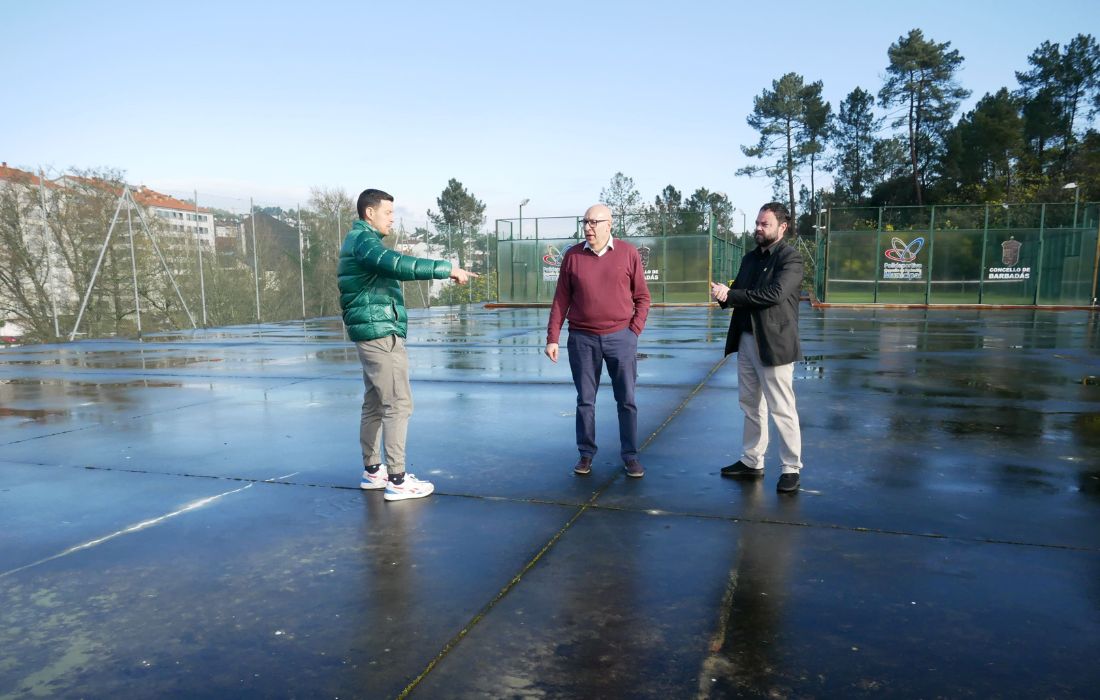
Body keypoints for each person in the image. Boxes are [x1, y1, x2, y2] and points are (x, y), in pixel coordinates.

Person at [338, 188, 476, 501]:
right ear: (369, 213)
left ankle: (374, 472)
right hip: (379, 333)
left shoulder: (358, 241)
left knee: (375, 401)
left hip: (371, 331)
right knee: (397, 403)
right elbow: (399, 264)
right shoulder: (365, 242)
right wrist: (446, 269)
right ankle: (398, 479)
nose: (392, 219)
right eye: (387, 212)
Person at [545, 204, 651, 477]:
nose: (588, 227)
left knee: (626, 400)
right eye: (585, 222)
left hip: (621, 339)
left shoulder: (628, 253)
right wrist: (553, 337)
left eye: (594, 222)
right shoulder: (572, 255)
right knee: (585, 401)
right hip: (582, 339)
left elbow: (642, 297)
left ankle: (630, 455)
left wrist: (633, 332)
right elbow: (561, 300)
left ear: (609, 224)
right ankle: (586, 454)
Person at [710, 202, 804, 493]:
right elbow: (739, 291)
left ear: (782, 227)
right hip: (747, 339)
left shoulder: (791, 259)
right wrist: (722, 295)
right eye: (757, 223)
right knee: (751, 404)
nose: (758, 229)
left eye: (765, 224)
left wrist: (734, 294)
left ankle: (791, 468)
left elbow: (774, 294)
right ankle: (752, 461)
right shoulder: (750, 258)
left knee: (782, 408)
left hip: (774, 344)